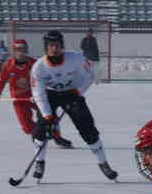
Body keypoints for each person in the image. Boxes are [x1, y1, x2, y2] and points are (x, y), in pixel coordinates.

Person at [30, 30, 117, 182]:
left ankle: (103, 163)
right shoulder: (39, 67)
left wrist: (78, 92)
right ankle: (40, 162)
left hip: (72, 93)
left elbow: (89, 76)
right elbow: (38, 92)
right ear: (46, 47)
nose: (54, 48)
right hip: (49, 95)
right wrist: (47, 115)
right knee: (41, 127)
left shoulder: (76, 58)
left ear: (61, 45)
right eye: (51, 45)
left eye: (57, 45)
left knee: (87, 127)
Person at [0, 39, 72, 149]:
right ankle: (39, 133)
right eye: (18, 49)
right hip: (19, 101)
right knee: (27, 128)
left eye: (23, 49)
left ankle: (57, 137)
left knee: (51, 117)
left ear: (26, 50)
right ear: (13, 51)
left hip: (36, 97)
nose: (20, 52)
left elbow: (45, 79)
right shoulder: (8, 65)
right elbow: (2, 81)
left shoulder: (35, 64)